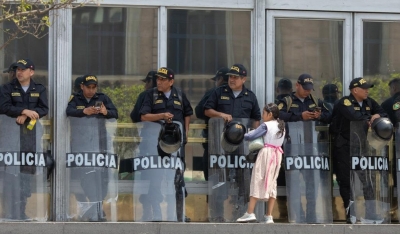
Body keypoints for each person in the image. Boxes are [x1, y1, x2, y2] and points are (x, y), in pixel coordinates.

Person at [204, 64, 261, 221]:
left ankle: (241, 213)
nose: (232, 79)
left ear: (244, 79)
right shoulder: (219, 92)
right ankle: (217, 215)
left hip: (242, 148)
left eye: (236, 77)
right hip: (222, 147)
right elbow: (207, 110)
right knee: (221, 181)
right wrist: (220, 114)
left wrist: (254, 139)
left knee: (243, 181)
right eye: (230, 76)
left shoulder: (250, 96)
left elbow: (256, 119)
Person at [330, 77, 387, 223]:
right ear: (355, 90)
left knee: (368, 180)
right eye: (364, 88)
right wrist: (370, 118)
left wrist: (378, 115)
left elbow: (383, 112)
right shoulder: (345, 102)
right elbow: (355, 117)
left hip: (362, 147)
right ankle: (352, 214)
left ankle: (371, 214)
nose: (367, 91)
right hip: (344, 148)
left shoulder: (369, 102)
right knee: (346, 181)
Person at [140, 67, 193, 222]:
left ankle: (178, 213)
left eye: (163, 79)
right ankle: (157, 213)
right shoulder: (151, 94)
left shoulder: (180, 94)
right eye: (158, 79)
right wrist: (161, 116)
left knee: (177, 179)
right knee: (155, 179)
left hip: (176, 145)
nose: (159, 82)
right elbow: (144, 116)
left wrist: (186, 133)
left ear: (171, 81)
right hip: (156, 145)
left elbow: (188, 113)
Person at [277, 73, 331, 223]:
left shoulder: (314, 101)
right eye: (305, 88)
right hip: (292, 148)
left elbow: (329, 115)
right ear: (297, 85)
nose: (307, 91)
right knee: (294, 185)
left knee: (312, 185)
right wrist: (300, 116)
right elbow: (277, 115)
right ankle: (297, 216)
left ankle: (311, 215)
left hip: (310, 148)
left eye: (310, 89)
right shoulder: (286, 101)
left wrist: (319, 115)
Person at [0, 58, 49, 219]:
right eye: (17, 70)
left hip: (30, 137)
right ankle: (10, 211)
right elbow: (4, 107)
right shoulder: (7, 88)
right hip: (10, 136)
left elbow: (43, 109)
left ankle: (21, 211)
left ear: (31, 72)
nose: (19, 72)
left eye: (22, 69)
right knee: (10, 174)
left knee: (26, 174)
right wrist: (24, 111)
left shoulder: (39, 89)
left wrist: (27, 116)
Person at [66, 74, 118, 221]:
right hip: (82, 146)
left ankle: (97, 209)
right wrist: (84, 111)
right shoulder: (75, 99)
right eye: (88, 87)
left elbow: (115, 114)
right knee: (88, 178)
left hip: (100, 145)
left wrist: (105, 112)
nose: (91, 90)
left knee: (102, 179)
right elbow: (68, 112)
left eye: (93, 87)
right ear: (82, 86)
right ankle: (95, 211)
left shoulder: (102, 98)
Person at [236, 103, 285, 224]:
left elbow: (250, 136)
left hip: (266, 153)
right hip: (277, 154)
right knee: (272, 183)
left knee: (257, 179)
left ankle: (250, 212)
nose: (262, 116)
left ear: (270, 114)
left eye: (264, 113)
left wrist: (240, 131)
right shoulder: (281, 125)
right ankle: (268, 216)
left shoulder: (266, 125)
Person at [195, 67, 229, 180]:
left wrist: (213, 113)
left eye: (216, 80)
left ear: (220, 79)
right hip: (232, 143)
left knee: (211, 179)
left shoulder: (213, 92)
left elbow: (199, 111)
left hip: (213, 142)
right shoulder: (237, 93)